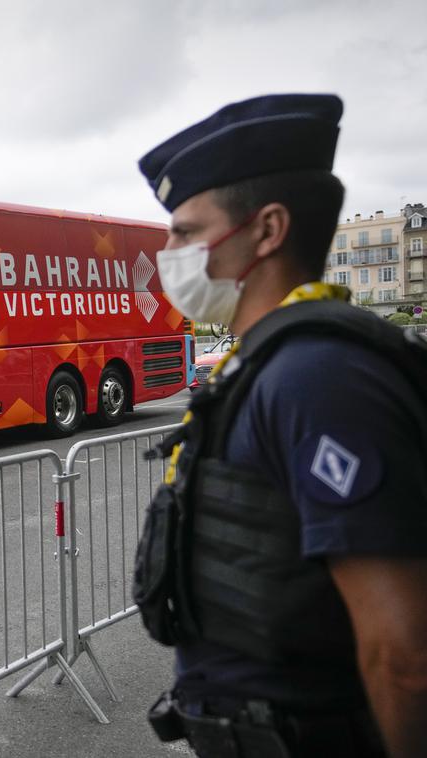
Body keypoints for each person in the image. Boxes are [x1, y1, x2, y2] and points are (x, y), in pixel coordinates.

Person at [132, 93, 427, 758]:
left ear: (267, 230)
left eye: (184, 231)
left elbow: (404, 651)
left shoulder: (318, 377)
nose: (166, 251)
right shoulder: (267, 365)